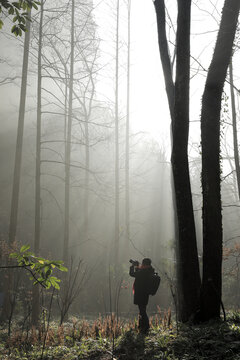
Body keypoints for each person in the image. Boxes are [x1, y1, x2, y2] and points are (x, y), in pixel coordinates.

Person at [129, 258, 154, 334]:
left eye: (143, 264)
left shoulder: (144, 271)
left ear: (145, 264)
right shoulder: (149, 270)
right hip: (144, 294)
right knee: (142, 310)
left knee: (142, 310)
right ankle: (141, 327)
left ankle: (145, 327)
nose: (141, 265)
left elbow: (132, 274)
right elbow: (139, 276)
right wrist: (137, 267)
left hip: (141, 293)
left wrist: (132, 267)